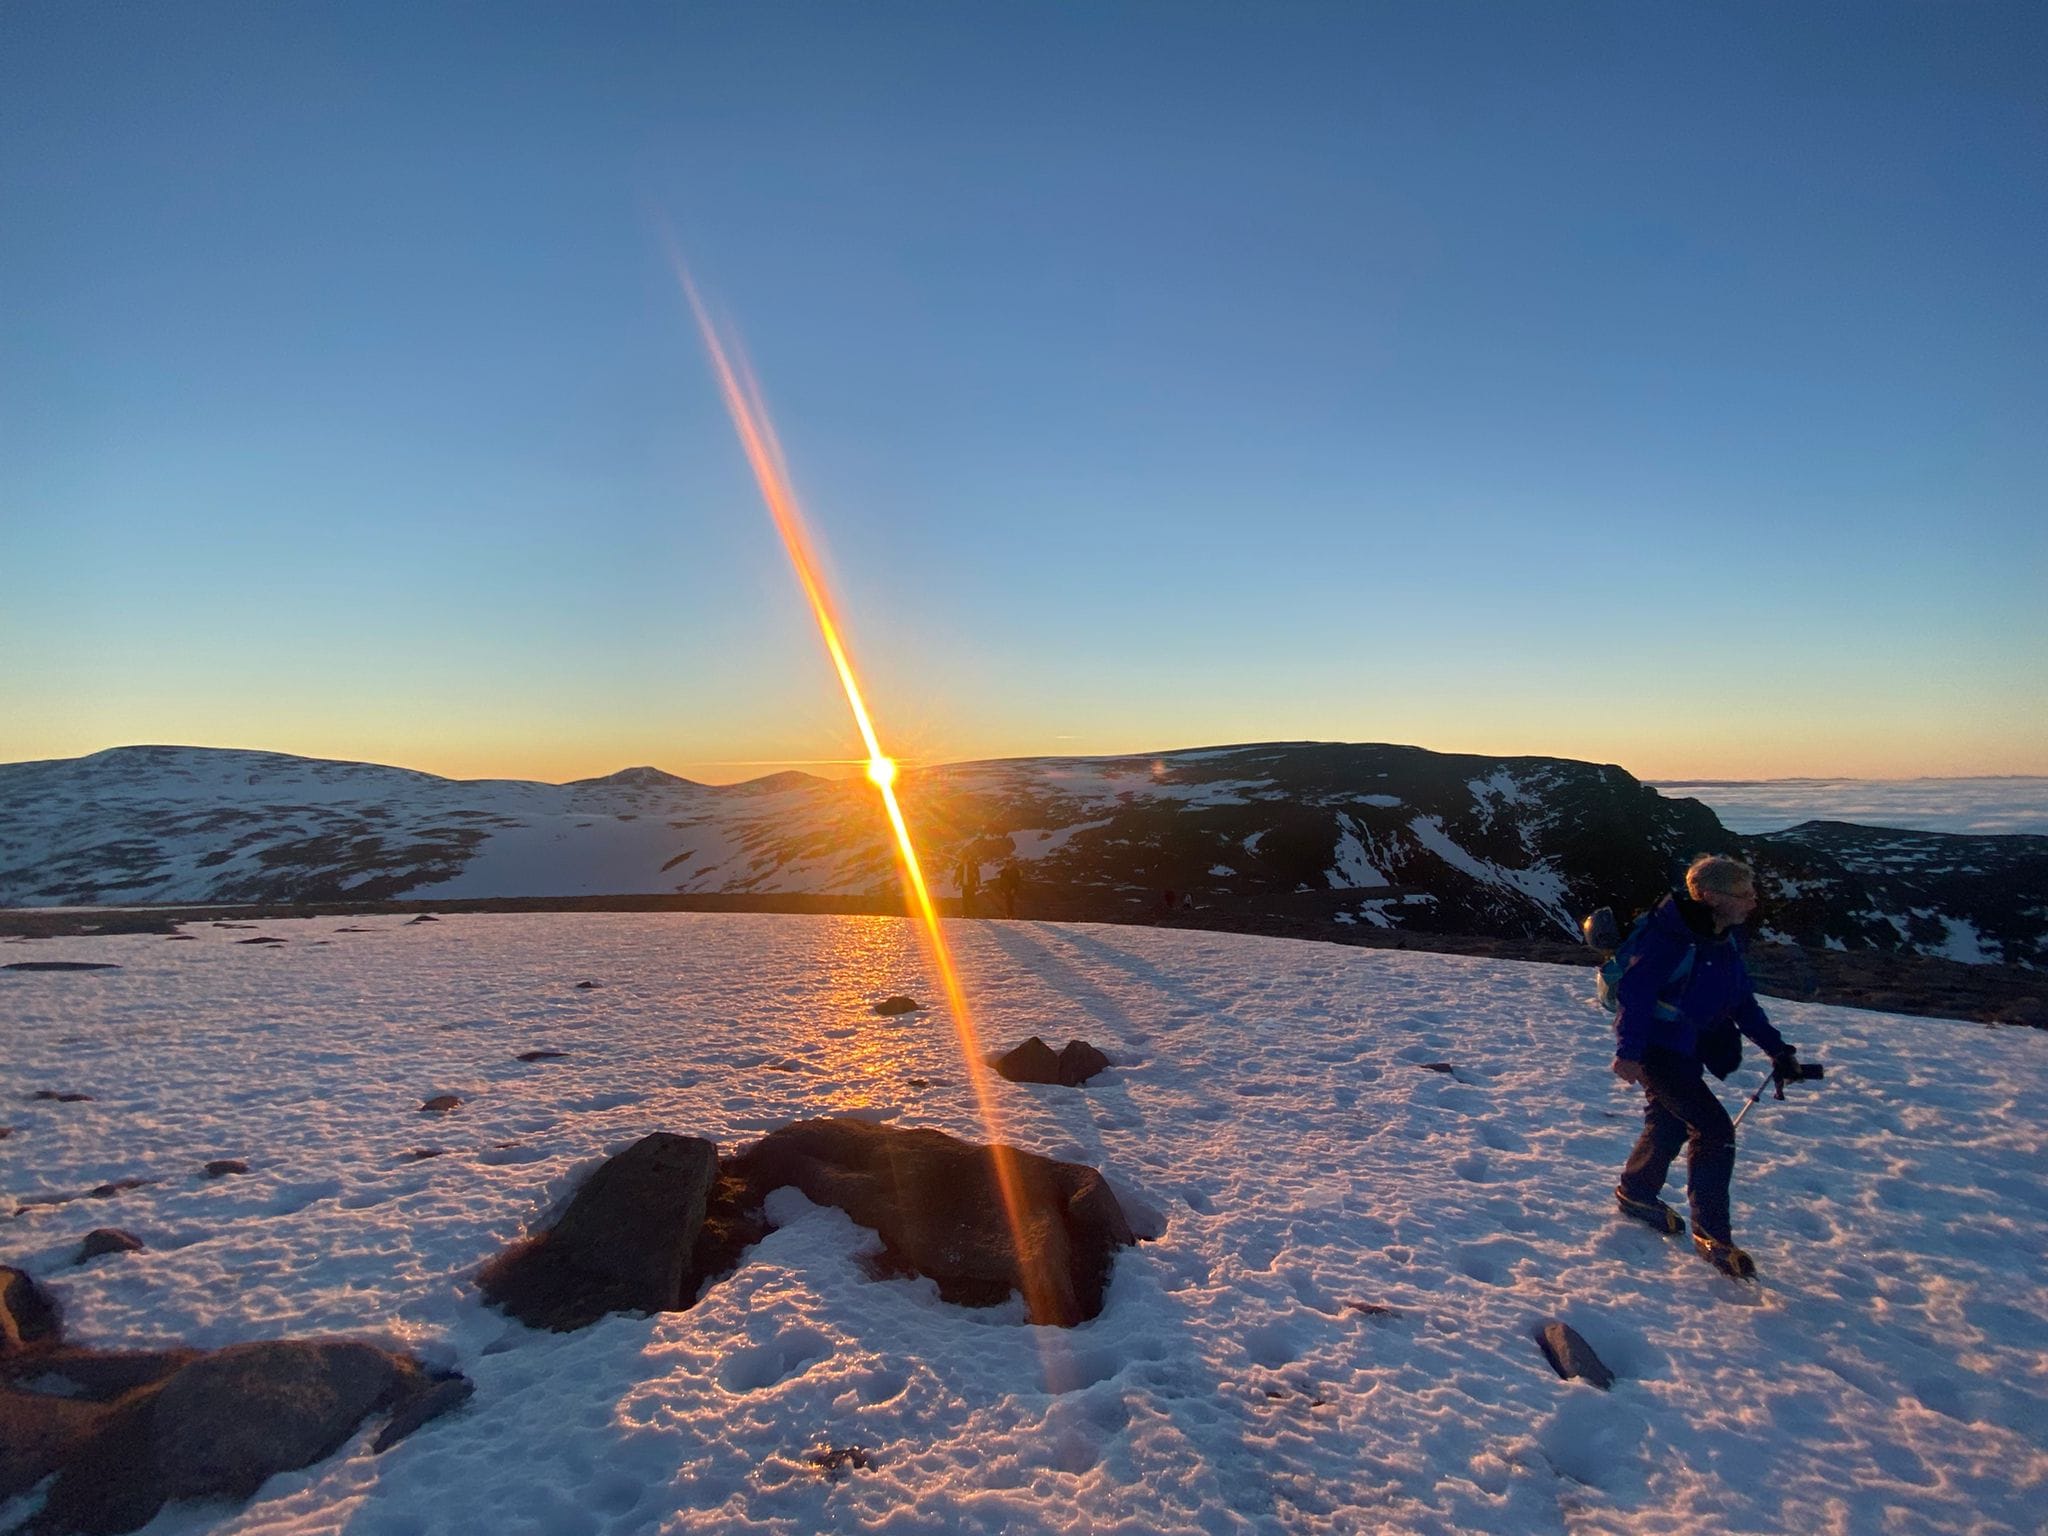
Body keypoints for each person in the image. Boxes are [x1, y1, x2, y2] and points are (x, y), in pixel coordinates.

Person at [1611, 854, 1804, 1277]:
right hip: (1659, 1052)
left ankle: (1637, 1191)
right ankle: (1714, 1235)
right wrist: (1628, 1052)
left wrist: (1777, 1049)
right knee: (1714, 1130)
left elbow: (1740, 1002)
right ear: (1712, 896)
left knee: (1669, 1121)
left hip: (1688, 1048)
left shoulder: (1723, 939)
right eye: (1744, 894)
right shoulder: (1670, 939)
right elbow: (1636, 993)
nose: (1753, 903)